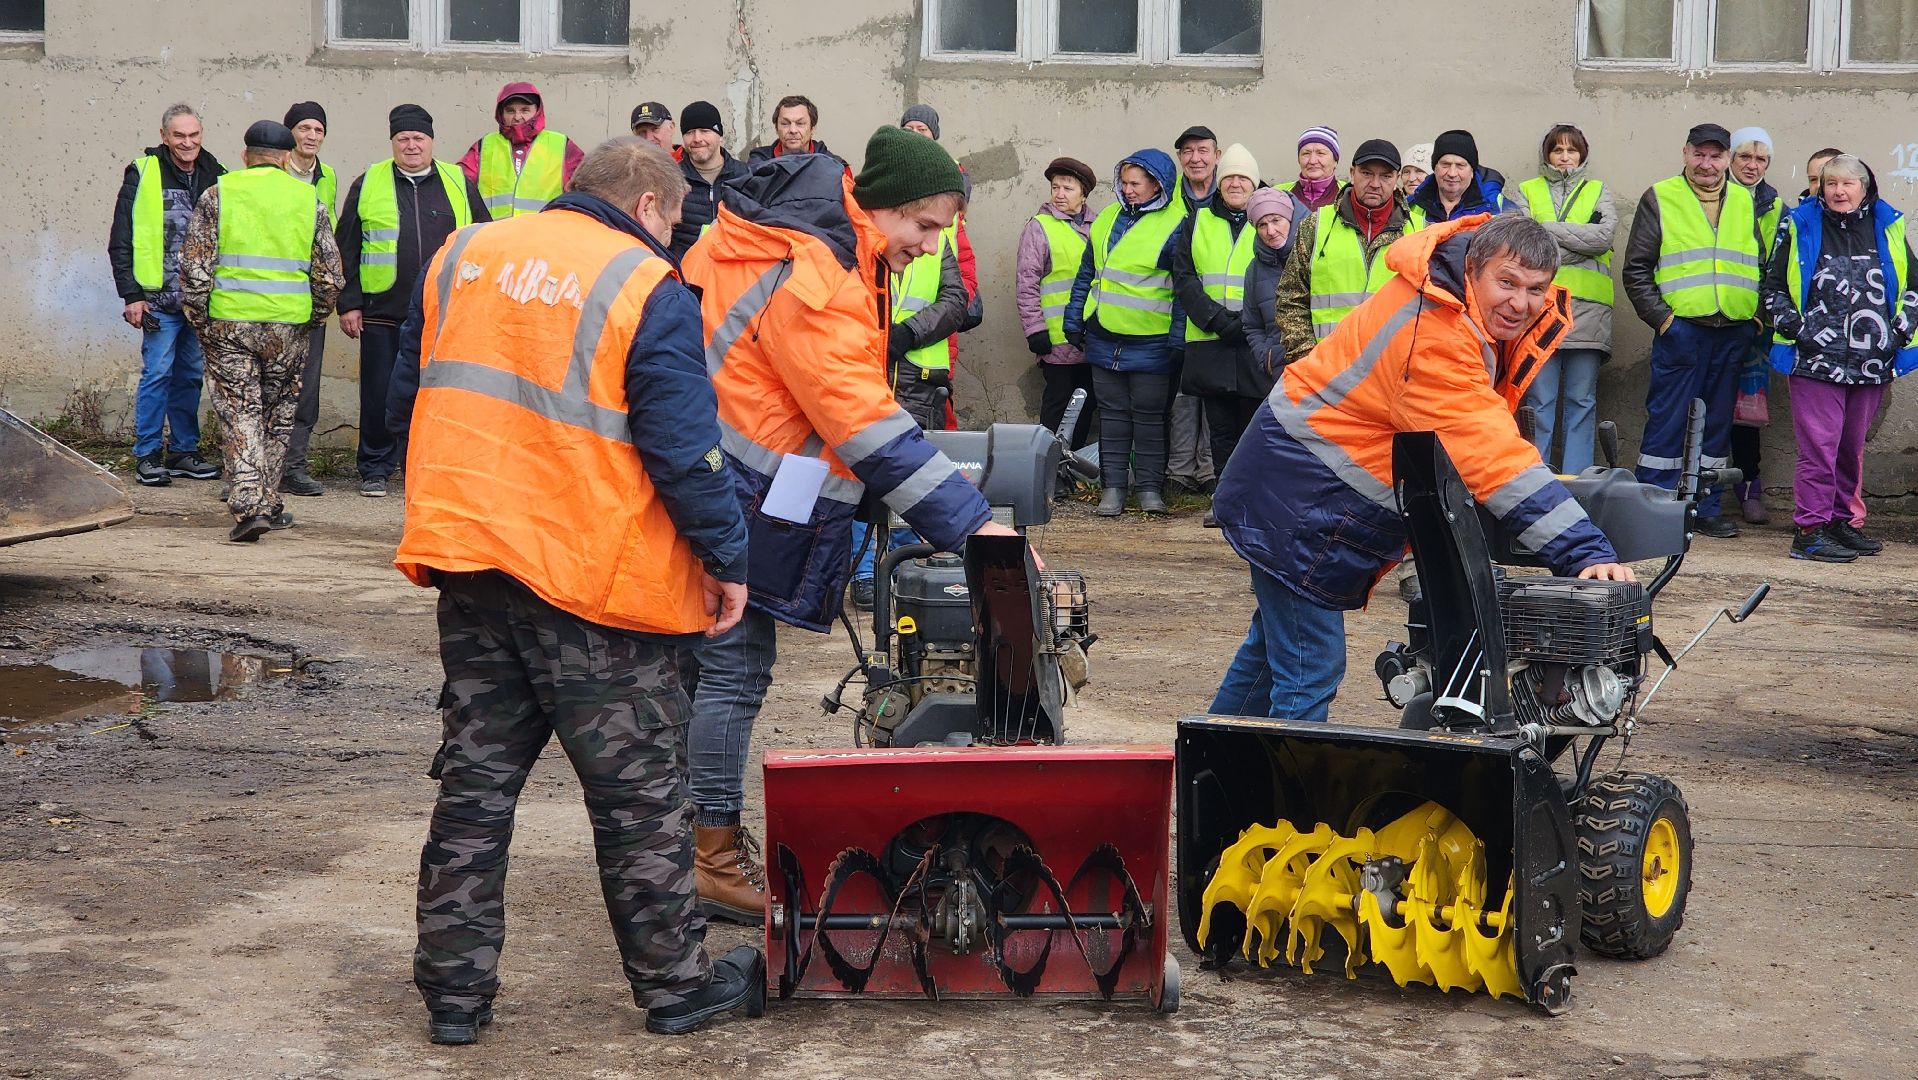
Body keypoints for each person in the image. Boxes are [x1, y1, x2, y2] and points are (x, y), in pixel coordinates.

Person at [394, 135, 764, 1042]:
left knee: (476, 786)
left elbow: (414, 385)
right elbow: (683, 446)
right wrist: (727, 557)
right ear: (647, 206)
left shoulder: (466, 254)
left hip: (472, 557)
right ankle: (678, 987)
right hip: (589, 575)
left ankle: (453, 997)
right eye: (672, 226)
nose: (672, 243)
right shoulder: (644, 284)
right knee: (638, 796)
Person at [676, 126, 1023, 925]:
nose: (928, 246)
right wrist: (977, 531)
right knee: (730, 672)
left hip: (722, 476)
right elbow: (856, 417)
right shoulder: (817, 271)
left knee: (702, 672)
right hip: (738, 491)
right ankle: (711, 857)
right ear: (885, 206)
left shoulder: (807, 238)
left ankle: (687, 838)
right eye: (925, 227)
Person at [1210, 214, 1633, 722]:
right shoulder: (1434, 334)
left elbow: (1482, 436)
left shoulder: (1449, 303)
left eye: (1536, 289)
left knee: (1271, 655)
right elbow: (1491, 453)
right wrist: (1582, 549)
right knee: (1309, 668)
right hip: (1300, 502)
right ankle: (1282, 800)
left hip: (1292, 492)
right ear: (1474, 269)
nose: (1521, 303)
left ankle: (1208, 781)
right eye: (1507, 282)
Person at [177, 121, 344, 542]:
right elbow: (330, 276)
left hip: (230, 323)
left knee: (240, 411)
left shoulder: (219, 194)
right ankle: (267, 500)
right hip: (288, 325)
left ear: (244, 155)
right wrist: (314, 317)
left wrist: (200, 318)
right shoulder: (309, 200)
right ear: (286, 158)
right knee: (277, 414)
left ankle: (250, 502)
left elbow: (195, 270)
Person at [845, 111, 976, 610]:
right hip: (873, 377)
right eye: (922, 227)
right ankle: (862, 573)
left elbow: (955, 299)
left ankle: (904, 568)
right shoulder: (842, 262)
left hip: (917, 376)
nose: (927, 244)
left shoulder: (934, 239)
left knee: (903, 480)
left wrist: (906, 334)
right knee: (864, 479)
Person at [1761, 154, 1918, 563]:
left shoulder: (1887, 224)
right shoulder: (1799, 223)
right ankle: (1810, 530)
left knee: (1849, 448)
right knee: (1819, 447)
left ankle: (1839, 523)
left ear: (1865, 189)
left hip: (1872, 360)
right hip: (1816, 359)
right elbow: (1772, 287)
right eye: (1831, 183)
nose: (1839, 191)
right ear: (1820, 188)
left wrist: (1899, 330)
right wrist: (1799, 329)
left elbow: (1914, 286)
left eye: (1848, 184)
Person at [335, 105, 488, 498]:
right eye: (403, 138)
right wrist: (348, 302)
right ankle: (375, 467)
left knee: (439, 394)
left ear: (431, 141)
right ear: (392, 143)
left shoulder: (458, 181)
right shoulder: (368, 182)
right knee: (379, 394)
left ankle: (427, 466)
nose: (411, 145)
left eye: (418, 138)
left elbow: (484, 241)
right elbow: (346, 247)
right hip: (382, 313)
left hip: (445, 311)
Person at [1621, 123, 1764, 539]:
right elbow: (1636, 270)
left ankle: (1705, 507)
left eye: (1715, 156)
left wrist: (1753, 319)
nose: (1707, 164)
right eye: (1699, 154)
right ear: (1685, 153)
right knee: (1668, 420)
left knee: (1717, 425)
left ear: (1727, 159)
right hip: (1682, 331)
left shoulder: (1742, 199)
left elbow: (1758, 262)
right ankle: (1657, 507)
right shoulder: (1661, 196)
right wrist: (1665, 321)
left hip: (1733, 331)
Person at [1063, 148, 1188, 516]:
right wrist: (1073, 319)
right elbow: (1088, 274)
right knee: (1113, 417)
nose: (1128, 189)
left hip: (1152, 340)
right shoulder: (1106, 219)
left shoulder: (1177, 224)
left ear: (1157, 185)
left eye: (1136, 183)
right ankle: (1113, 489)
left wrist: (1177, 338)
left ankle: (1149, 490)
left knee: (1149, 418)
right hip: (1104, 336)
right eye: (1125, 182)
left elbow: (1182, 288)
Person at [108, 103, 225, 488]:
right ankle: (147, 454)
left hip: (199, 301)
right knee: (157, 373)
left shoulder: (218, 176)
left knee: (190, 375)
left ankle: (183, 451)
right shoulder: (143, 173)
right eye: (179, 136)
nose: (187, 142)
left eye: (193, 135)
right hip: (157, 301)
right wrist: (132, 295)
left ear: (201, 135)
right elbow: (121, 240)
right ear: (164, 137)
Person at [1504, 123, 1616, 474]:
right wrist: (1572, 242)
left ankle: (1578, 479)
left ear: (1582, 155)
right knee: (1539, 400)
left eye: (1571, 150)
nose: (1565, 156)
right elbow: (1523, 245)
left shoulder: (1598, 190)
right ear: (1547, 155)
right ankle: (1537, 476)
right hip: (1540, 313)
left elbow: (1604, 237)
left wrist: (1546, 229)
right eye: (1557, 150)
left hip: (1590, 316)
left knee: (1581, 401)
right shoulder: (1526, 190)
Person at [1173, 143, 1270, 485]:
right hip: (1210, 341)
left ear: (1255, 184)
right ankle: (1224, 496)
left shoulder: (1271, 221)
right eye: (1229, 178)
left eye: (1243, 178)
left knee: (1253, 426)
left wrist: (1246, 324)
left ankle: (1251, 497)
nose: (1235, 185)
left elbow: (1280, 278)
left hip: (1253, 343)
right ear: (1219, 182)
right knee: (1221, 429)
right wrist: (1214, 319)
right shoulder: (1197, 220)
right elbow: (1184, 278)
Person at [1274, 139, 1419, 362]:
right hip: (1328, 370)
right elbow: (1290, 298)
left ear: (1397, 179)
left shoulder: (1419, 232)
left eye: (1386, 176)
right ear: (1352, 173)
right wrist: (1307, 358)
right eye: (1367, 173)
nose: (1375, 183)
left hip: (1393, 370)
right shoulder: (1316, 226)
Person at [896, 104, 982, 429]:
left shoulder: (949, 202)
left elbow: (965, 273)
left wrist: (942, 316)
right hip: (884, 340)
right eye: (909, 129)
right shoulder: (881, 187)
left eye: (923, 129)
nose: (915, 135)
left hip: (935, 334)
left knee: (938, 416)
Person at [279, 101, 338, 498]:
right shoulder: (269, 172)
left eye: (318, 129)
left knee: (307, 388)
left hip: (310, 297)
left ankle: (294, 467)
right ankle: (250, 471)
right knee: (263, 389)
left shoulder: (328, 176)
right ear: (290, 135)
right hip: (268, 297)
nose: (311, 136)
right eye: (304, 128)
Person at [1019, 156, 1098, 449]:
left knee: (1086, 404)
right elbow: (1026, 282)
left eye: (1068, 188)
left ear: (1084, 193)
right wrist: (1034, 330)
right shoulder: (1039, 228)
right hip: (1057, 339)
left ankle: (1073, 466)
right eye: (1055, 188)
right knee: (1058, 404)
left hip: (1091, 337)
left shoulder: (1099, 226)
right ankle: (1046, 466)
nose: (1060, 194)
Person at [1728, 126, 1783, 524]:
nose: (1752, 165)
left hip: (1754, 321)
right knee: (1706, 408)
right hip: (1710, 315)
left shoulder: (1775, 205)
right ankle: (1702, 490)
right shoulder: (1712, 195)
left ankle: (1750, 485)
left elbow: (1775, 265)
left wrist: (1762, 313)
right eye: (1744, 157)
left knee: (1747, 412)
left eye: (1760, 159)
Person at [459, 82, 583, 219]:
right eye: (510, 111)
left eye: (525, 110)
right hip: (496, 236)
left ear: (537, 111)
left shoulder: (561, 145)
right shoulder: (485, 146)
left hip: (545, 236)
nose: (517, 117)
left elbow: (587, 190)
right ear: (501, 114)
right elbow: (457, 185)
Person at [669, 100, 747, 258]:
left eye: (704, 131)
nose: (697, 138)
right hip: (686, 275)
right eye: (689, 132)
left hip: (734, 270)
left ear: (720, 135)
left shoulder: (745, 175)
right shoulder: (672, 178)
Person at [1408, 129, 1505, 224]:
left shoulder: (1499, 207)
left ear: (1472, 171)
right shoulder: (1411, 207)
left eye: (1460, 166)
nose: (1452, 173)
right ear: (1434, 168)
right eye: (1445, 164)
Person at [747, 95, 839, 164]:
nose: (793, 130)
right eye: (785, 123)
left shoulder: (834, 165)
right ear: (776, 128)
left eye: (800, 123)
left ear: (812, 128)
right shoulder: (759, 162)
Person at [1283, 126, 1341, 212]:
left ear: (1335, 161)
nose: (1312, 161)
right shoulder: (1279, 194)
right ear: (1298, 159)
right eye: (1306, 153)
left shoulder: (1348, 194)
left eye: (1321, 153)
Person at [1176, 125, 1220, 210]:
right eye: (1188, 151)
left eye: (1202, 151)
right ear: (1179, 157)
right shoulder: (1167, 194)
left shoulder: (1232, 190)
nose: (1195, 159)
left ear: (1217, 155)